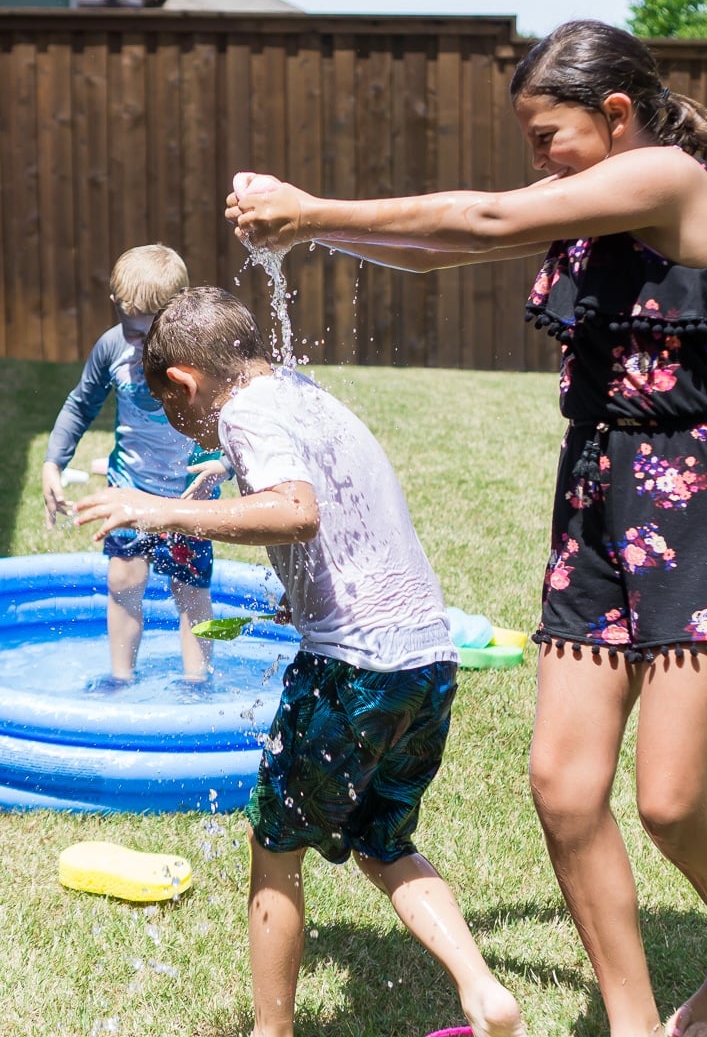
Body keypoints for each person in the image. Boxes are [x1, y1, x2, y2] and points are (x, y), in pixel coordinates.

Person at [222, 19, 707, 1037]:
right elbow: (441, 246)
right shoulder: (585, 198)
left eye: (545, 136)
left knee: (666, 803)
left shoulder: (666, 179)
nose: (534, 158)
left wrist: (314, 205)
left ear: (614, 115)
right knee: (564, 793)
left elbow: (476, 217)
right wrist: (310, 233)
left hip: (693, 504)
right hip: (595, 502)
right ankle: (631, 1024)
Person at [74, 285, 527, 1037]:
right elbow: (340, 513)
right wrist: (290, 576)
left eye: (172, 408)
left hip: (353, 670)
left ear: (184, 380)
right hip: (426, 662)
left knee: (274, 840)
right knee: (384, 839)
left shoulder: (245, 413)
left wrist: (163, 509)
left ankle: (271, 1031)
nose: (185, 430)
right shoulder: (300, 393)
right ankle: (484, 992)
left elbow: (297, 509)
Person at [43, 244, 222, 687]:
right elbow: (80, 404)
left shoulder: (204, 352)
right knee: (123, 579)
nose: (141, 346)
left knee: (190, 589)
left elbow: (232, 416)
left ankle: (196, 683)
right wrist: (53, 462)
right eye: (133, 333)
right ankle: (121, 679)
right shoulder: (112, 347)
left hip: (188, 494)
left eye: (150, 336)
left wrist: (222, 465)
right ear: (117, 309)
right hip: (130, 487)